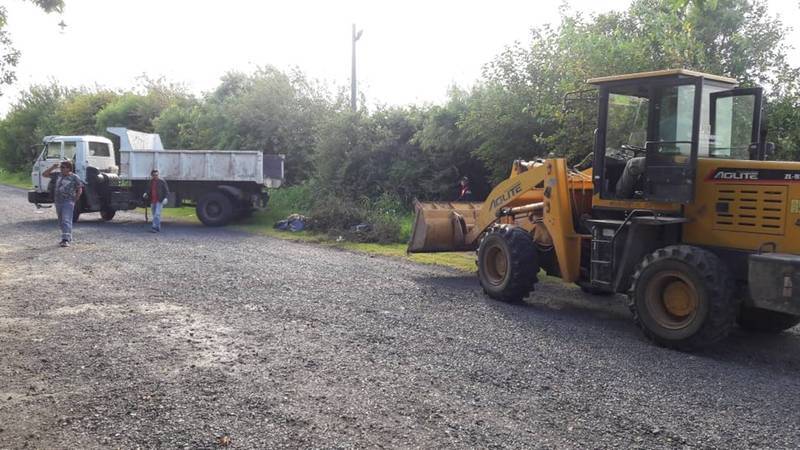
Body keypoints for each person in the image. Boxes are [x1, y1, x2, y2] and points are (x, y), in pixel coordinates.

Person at [42, 160, 83, 247]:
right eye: (61, 167)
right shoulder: (58, 175)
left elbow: (79, 188)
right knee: (61, 221)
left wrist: (76, 198)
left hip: (68, 201)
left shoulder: (74, 177)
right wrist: (53, 167)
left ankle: (65, 240)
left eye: (63, 167)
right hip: (58, 201)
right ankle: (68, 236)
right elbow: (44, 174)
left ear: (69, 168)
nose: (61, 169)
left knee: (66, 219)